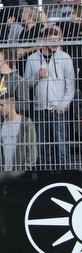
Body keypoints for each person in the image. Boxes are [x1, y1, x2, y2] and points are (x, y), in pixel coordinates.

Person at [24, 26, 76, 169]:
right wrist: (37, 77)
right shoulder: (32, 59)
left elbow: (70, 86)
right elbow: (25, 84)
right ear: (43, 40)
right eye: (51, 40)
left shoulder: (65, 57)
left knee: (61, 148)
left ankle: (64, 178)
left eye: (57, 40)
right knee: (41, 149)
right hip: (40, 110)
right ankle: (43, 181)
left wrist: (62, 106)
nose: (55, 43)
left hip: (57, 109)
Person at [0, 94, 37, 173]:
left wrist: (27, 167)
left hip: (20, 172)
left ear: (11, 105)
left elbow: (31, 148)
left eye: (2, 105)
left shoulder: (26, 123)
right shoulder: (0, 125)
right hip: (4, 173)